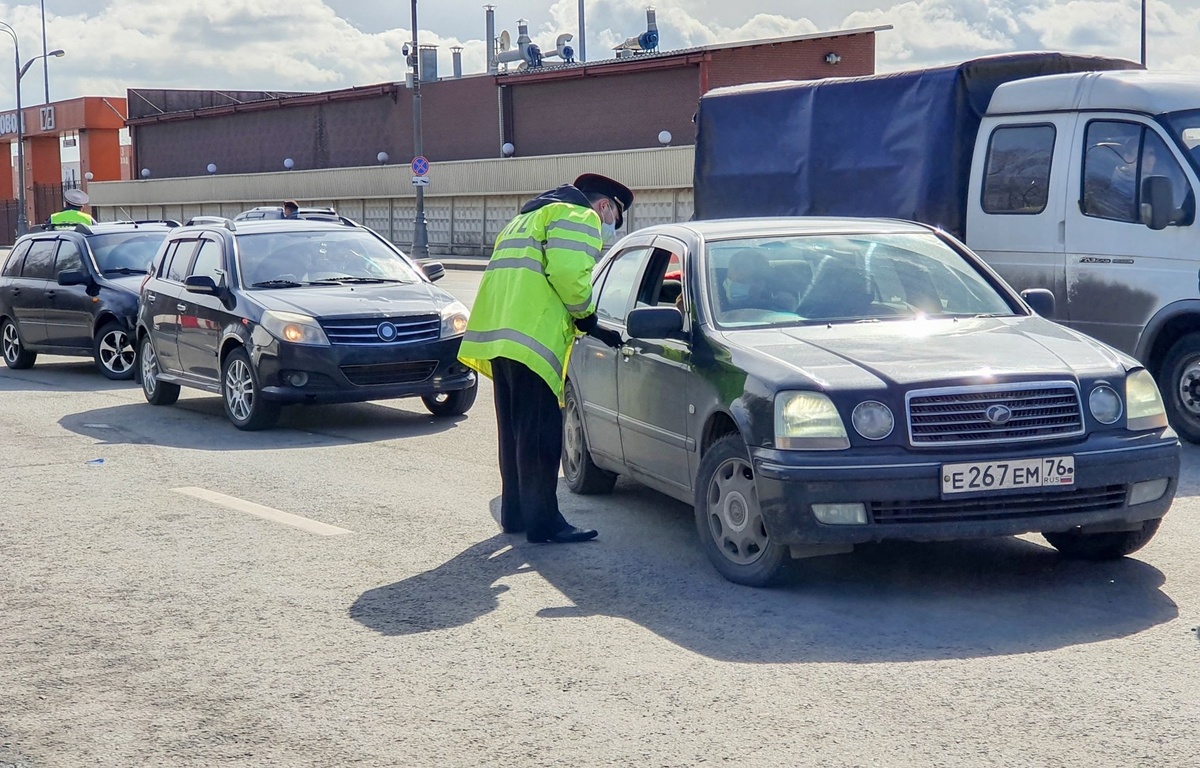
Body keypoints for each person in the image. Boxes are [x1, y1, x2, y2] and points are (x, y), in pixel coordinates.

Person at [458, 173, 633, 544]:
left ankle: (516, 514)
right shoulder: (579, 217)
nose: (610, 228)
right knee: (540, 435)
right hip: (534, 340)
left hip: (501, 339)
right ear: (605, 206)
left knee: (514, 431)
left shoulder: (525, 220)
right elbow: (569, 274)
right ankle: (544, 524)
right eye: (615, 218)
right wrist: (588, 318)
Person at [721, 249, 796, 313]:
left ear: (761, 283)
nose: (731, 285)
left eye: (741, 281)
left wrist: (786, 306)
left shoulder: (777, 307)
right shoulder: (713, 304)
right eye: (729, 279)